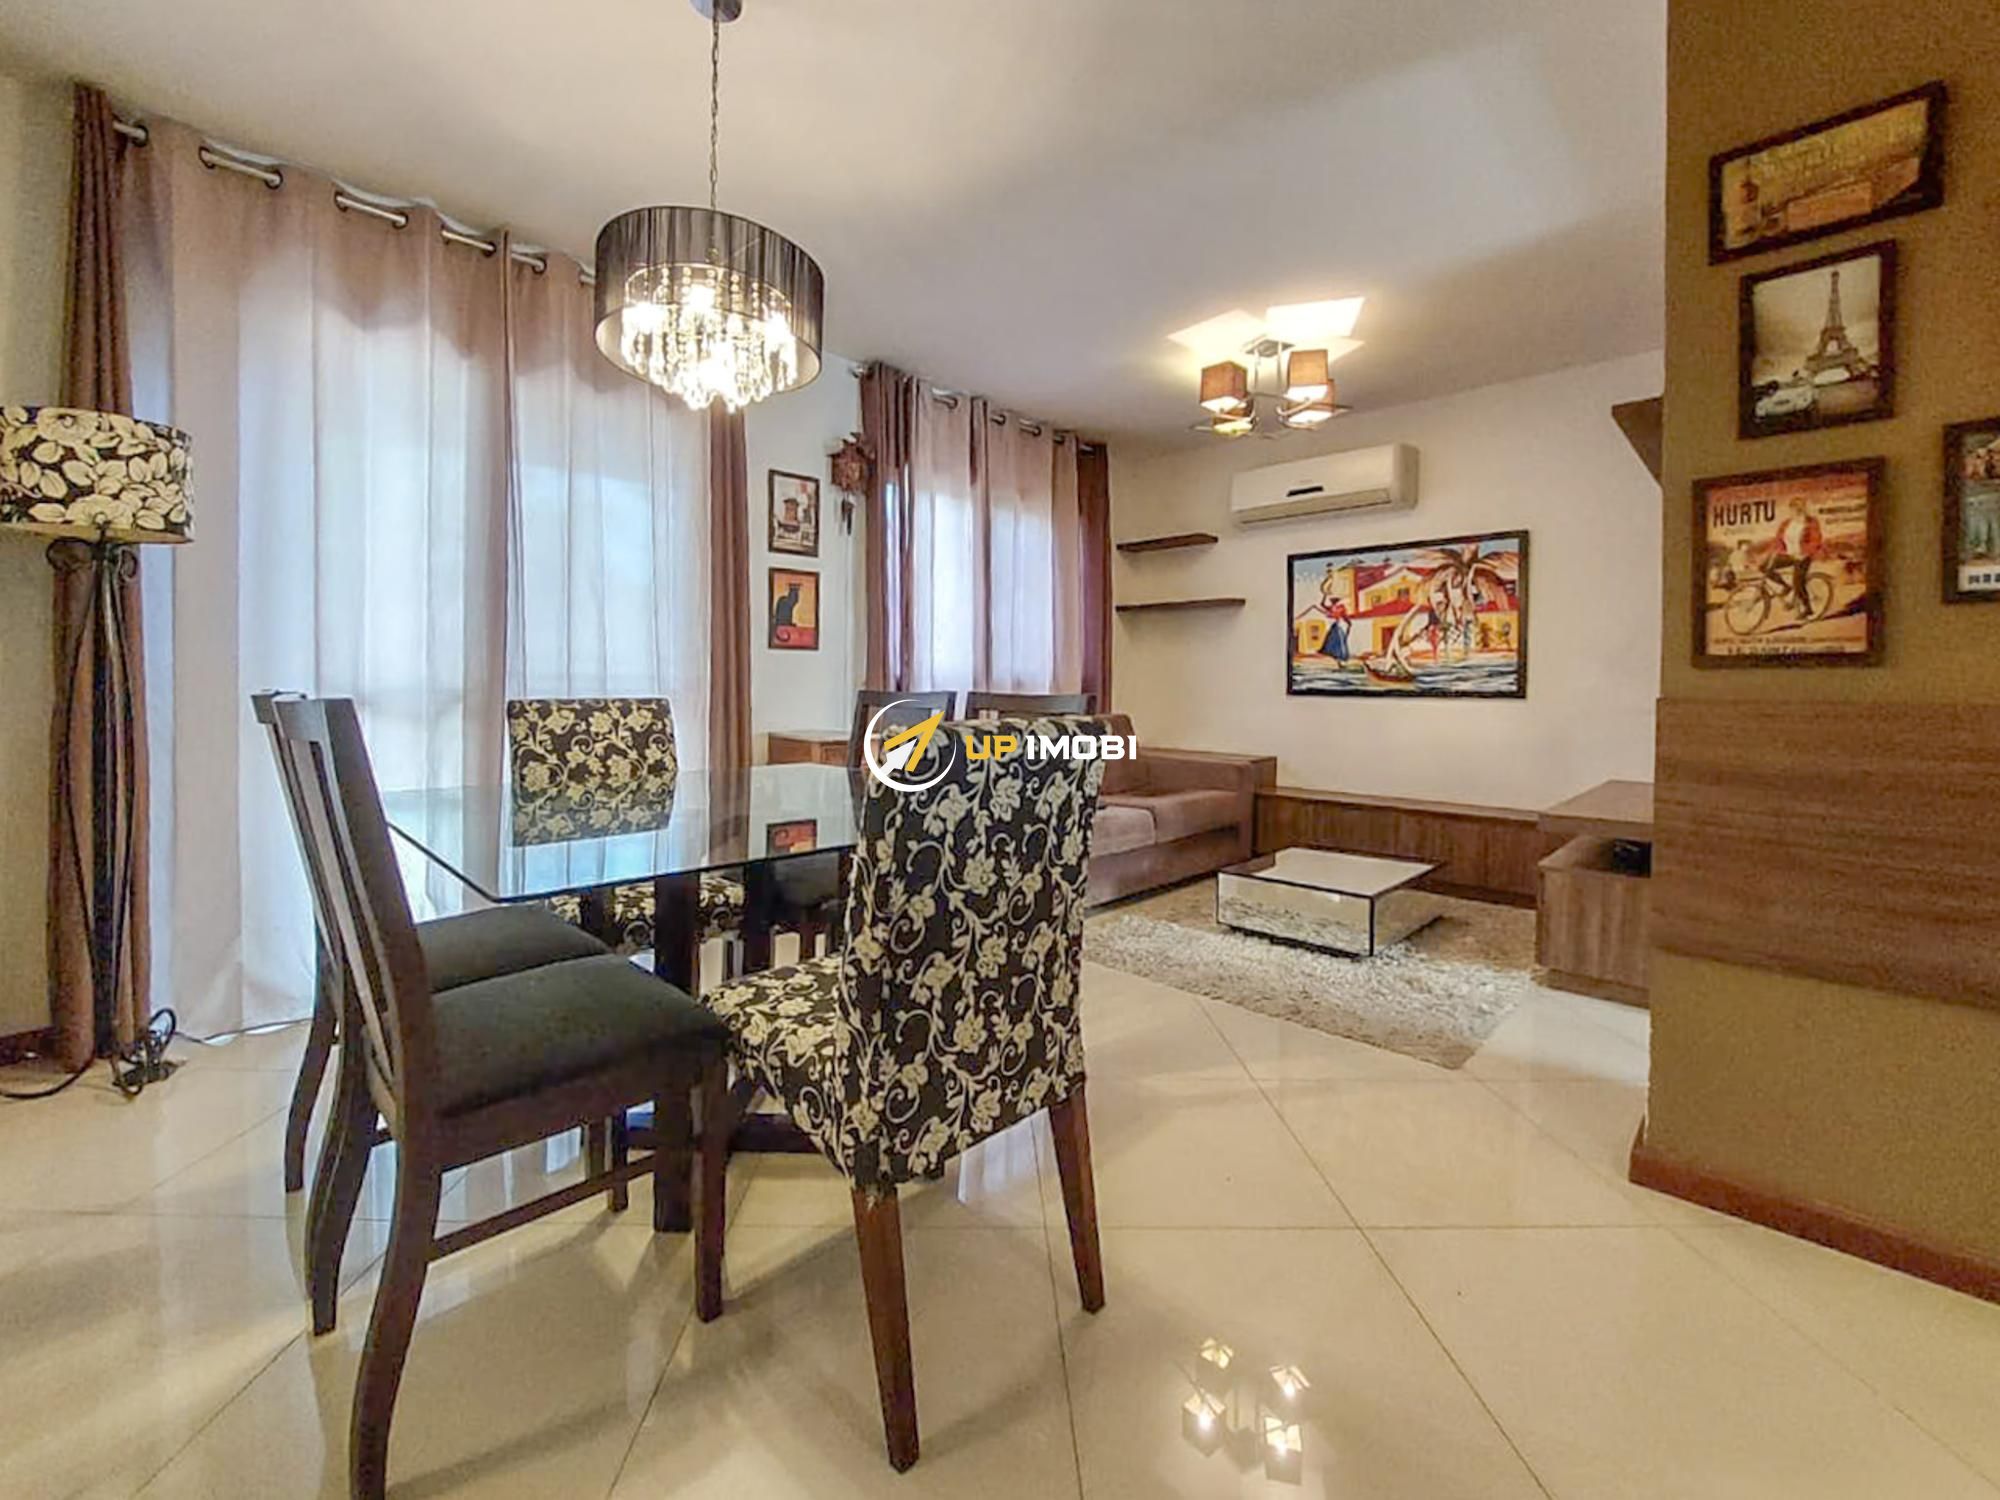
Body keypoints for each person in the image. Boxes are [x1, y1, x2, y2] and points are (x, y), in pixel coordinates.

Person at [1765, 497, 1824, 616]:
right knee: (1764, 567)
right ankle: (1786, 587)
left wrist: (1804, 553)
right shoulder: (1786, 523)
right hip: (1789, 555)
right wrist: (1775, 551)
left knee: (1797, 582)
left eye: (1798, 509)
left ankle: (1807, 608)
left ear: (1802, 509)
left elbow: (1816, 540)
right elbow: (1778, 539)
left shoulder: (1811, 522)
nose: (1794, 512)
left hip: (1804, 556)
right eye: (1792, 509)